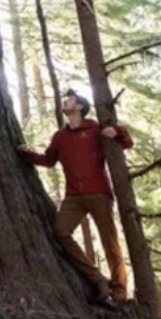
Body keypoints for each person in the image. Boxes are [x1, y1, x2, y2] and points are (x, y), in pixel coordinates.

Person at [17, 89, 134, 307]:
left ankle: (119, 294)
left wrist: (116, 131)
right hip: (73, 197)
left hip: (99, 193)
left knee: (110, 244)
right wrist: (26, 153)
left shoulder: (95, 129)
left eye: (70, 100)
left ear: (79, 107)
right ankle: (97, 278)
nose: (66, 101)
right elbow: (48, 160)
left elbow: (127, 142)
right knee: (60, 232)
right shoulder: (60, 137)